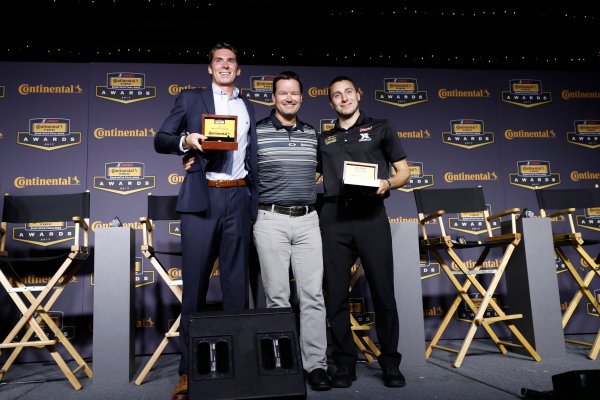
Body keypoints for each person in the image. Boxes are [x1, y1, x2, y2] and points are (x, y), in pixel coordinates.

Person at [184, 71, 331, 391]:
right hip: (269, 220)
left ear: (302, 97)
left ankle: (315, 365)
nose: (289, 98)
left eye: (295, 93)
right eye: (283, 93)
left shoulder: (311, 133)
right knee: (278, 297)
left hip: (308, 220)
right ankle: (285, 363)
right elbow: (226, 158)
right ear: (273, 97)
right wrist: (191, 158)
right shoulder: (257, 131)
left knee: (313, 296)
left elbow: (321, 170)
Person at [154, 42, 258, 400]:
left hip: (238, 196)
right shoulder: (191, 98)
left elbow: (253, 157)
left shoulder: (248, 106)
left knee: (235, 290)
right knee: (195, 289)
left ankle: (234, 368)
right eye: (219, 61)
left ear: (239, 69)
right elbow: (161, 139)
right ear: (209, 68)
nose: (226, 66)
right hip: (202, 198)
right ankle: (189, 372)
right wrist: (187, 141)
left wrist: (252, 200)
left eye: (232, 61)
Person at [316, 76, 410, 388]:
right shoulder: (323, 139)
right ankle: (344, 362)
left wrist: (387, 183)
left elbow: (404, 172)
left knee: (383, 292)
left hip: (371, 216)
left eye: (348, 92)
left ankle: (390, 362)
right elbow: (314, 176)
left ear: (359, 94)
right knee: (337, 295)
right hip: (333, 217)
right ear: (331, 103)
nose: (343, 99)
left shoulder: (382, 127)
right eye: (336, 96)